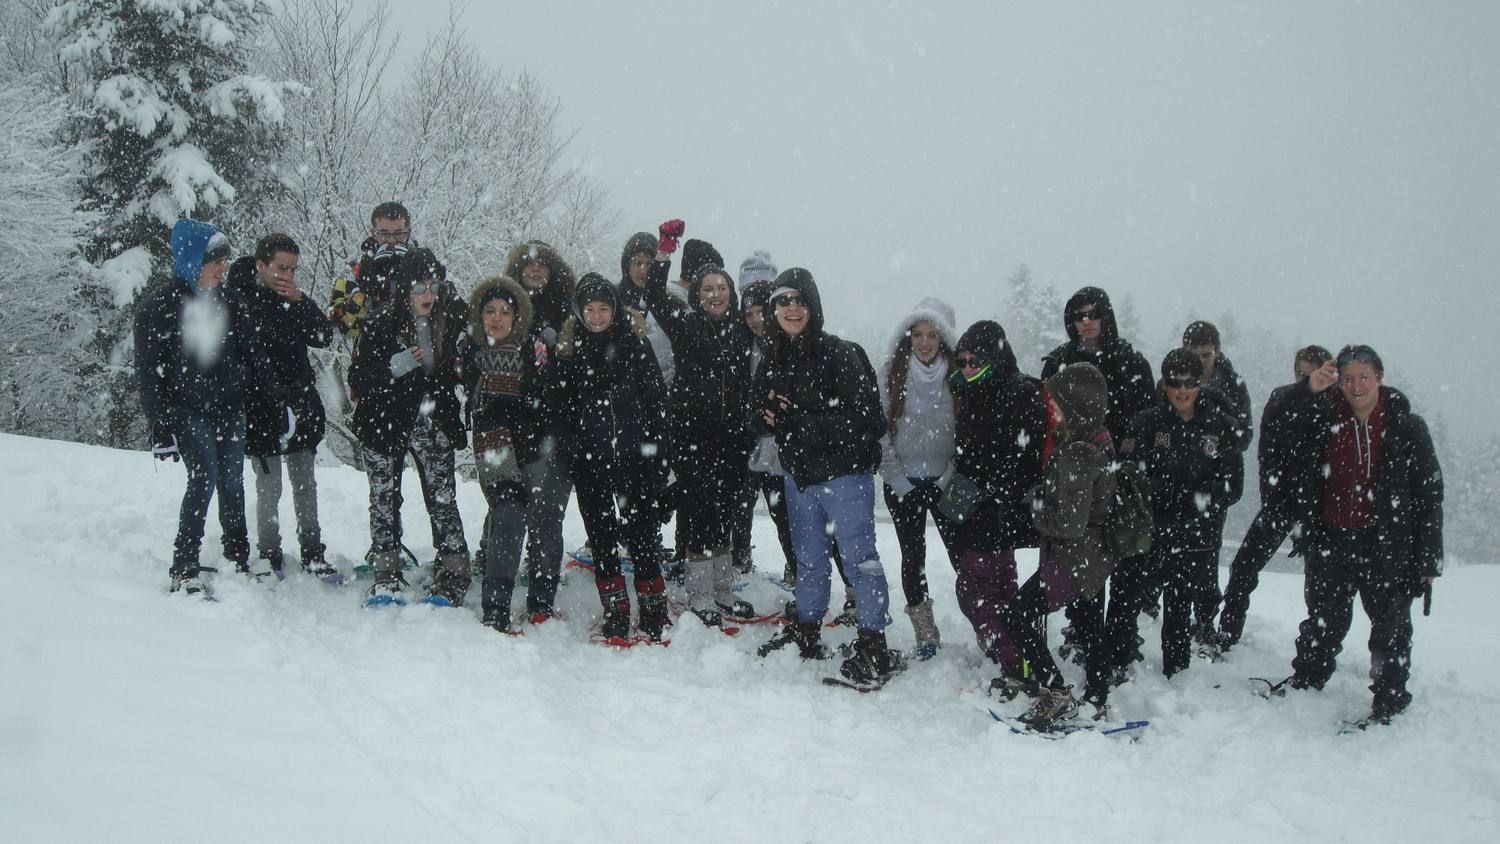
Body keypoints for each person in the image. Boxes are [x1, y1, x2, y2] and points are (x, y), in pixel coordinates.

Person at [751, 269, 903, 687]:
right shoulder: (772, 359)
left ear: (813, 306)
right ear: (773, 310)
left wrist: (800, 423)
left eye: (800, 300)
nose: (792, 308)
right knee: (809, 561)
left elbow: (866, 420)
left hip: (845, 477)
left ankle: (875, 644)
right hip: (798, 478)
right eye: (783, 301)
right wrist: (763, 417)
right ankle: (806, 630)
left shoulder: (840, 353)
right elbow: (760, 416)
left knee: (860, 560)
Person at [1276, 345, 1443, 726]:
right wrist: (1308, 391)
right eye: (1348, 377)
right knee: (1323, 619)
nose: (1356, 385)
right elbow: (1282, 428)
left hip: (1386, 542)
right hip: (1332, 537)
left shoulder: (1405, 426)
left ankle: (1390, 699)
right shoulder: (1321, 417)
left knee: (1391, 626)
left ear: (1379, 377)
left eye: (1363, 376)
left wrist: (1429, 555)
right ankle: (1308, 678)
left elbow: (1429, 492)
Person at [134, 218, 273, 596]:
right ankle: (184, 565)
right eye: (216, 261)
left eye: (226, 261)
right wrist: (160, 423)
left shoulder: (229, 302)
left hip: (229, 406)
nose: (224, 268)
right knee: (204, 479)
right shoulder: (158, 309)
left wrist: (272, 400)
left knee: (232, 481)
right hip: (187, 409)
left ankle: (237, 556)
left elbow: (254, 354)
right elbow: (148, 373)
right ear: (193, 260)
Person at [545, 274, 672, 643]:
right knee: (601, 538)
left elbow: (655, 401)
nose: (597, 316)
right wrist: (572, 448)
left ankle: (653, 605)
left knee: (642, 534)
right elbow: (558, 408)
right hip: (591, 462)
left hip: (635, 459)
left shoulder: (634, 343)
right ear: (579, 312)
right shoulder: (568, 349)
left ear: (615, 310)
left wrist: (658, 451)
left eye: (603, 308)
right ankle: (615, 607)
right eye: (590, 309)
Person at [1104, 349, 1243, 681]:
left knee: (1179, 610)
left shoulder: (1219, 425)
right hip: (1145, 533)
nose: (1182, 391)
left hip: (1192, 536)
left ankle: (1176, 677)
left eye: (1190, 383)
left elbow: (1232, 486)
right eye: (1174, 383)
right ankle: (1114, 665)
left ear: (1200, 383)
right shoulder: (1145, 423)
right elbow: (1126, 475)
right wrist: (1173, 493)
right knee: (1124, 600)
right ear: (1163, 384)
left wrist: (1200, 498)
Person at [636, 248, 757, 627]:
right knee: (701, 515)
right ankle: (700, 593)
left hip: (734, 438)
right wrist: (663, 252)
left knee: (726, 516)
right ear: (697, 294)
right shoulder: (686, 326)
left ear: (731, 293)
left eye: (721, 288)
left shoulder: (741, 330)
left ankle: (723, 591)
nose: (715, 294)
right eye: (707, 289)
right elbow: (655, 295)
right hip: (693, 436)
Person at [995, 363, 1121, 727]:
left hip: (1072, 558)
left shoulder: (1077, 454)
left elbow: (1068, 523)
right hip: (1096, 555)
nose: (1050, 408)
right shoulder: (1100, 438)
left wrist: (1037, 506)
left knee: (1016, 616)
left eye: (1057, 402)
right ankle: (1097, 695)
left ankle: (1055, 692)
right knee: (1088, 621)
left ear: (1076, 406)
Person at [1040, 287, 1155, 666]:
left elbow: (1145, 418)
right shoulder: (1059, 360)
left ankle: (1121, 641)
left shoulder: (1131, 361)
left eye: (1092, 313)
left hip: (1121, 472)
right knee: (1078, 560)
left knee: (1123, 564)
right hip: (1073, 474)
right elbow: (1049, 417)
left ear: (1106, 316)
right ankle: (1084, 635)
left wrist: (1125, 458)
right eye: (1078, 315)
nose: (1086, 321)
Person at [349, 248, 471, 605]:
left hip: (432, 423)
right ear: (404, 288)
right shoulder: (379, 324)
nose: (427, 295)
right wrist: (394, 367)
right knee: (383, 499)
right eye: (419, 287)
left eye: (433, 286)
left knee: (443, 500)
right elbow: (359, 378)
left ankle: (454, 572)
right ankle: (387, 574)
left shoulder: (451, 323)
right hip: (383, 424)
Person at [227, 234, 341, 581]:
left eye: (292, 269)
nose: (287, 275)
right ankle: (269, 550)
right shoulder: (238, 300)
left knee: (305, 481)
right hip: (261, 406)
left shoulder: (292, 298)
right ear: (261, 265)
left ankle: (312, 549)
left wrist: (302, 301)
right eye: (280, 268)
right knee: (269, 484)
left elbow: (323, 336)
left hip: (301, 401)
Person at [946, 321, 1046, 689]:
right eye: (963, 361)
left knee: (981, 591)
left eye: (976, 360)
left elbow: (1021, 457)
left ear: (995, 357)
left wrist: (985, 490)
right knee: (994, 588)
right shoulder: (976, 390)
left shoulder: (1016, 392)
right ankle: (1016, 657)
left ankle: (1016, 662)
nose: (968, 367)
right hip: (984, 510)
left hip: (1001, 512)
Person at [1217, 345, 1333, 648]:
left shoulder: (1335, 407)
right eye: (1300, 373)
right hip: (1281, 501)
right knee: (1243, 567)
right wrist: (1272, 496)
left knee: (1319, 586)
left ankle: (1314, 651)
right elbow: (1267, 452)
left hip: (1318, 509)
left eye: (1311, 374)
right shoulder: (1282, 399)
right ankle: (1227, 631)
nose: (1304, 380)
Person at [499, 239, 580, 621]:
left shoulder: (570, 310)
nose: (535, 271)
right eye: (529, 265)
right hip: (511, 423)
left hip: (556, 426)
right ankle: (497, 570)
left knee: (548, 513)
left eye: (543, 265)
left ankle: (543, 593)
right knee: (507, 505)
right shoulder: (503, 308)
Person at [877, 298, 962, 658]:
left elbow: (968, 433)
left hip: (947, 483)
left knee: (964, 556)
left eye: (933, 335)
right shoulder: (891, 373)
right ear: (907, 336)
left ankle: (987, 620)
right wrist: (897, 479)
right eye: (918, 334)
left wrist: (950, 476)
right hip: (904, 484)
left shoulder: (959, 375)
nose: (925, 342)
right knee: (914, 557)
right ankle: (924, 629)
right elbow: (879, 432)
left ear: (944, 338)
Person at [460, 275, 545, 632]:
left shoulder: (533, 349)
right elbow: (464, 393)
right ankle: (495, 607)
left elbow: (544, 397)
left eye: (505, 312)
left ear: (517, 315)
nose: (497, 318)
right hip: (491, 442)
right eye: (490, 311)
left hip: (530, 442)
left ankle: (488, 552)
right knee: (510, 511)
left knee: (509, 511)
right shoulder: (469, 350)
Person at [329, 202, 416, 341]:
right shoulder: (355, 270)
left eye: (399, 233)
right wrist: (363, 295)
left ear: (408, 232)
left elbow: (443, 315)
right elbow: (338, 325)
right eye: (384, 234)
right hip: (369, 355)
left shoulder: (424, 266)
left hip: (415, 356)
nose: (392, 240)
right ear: (373, 233)